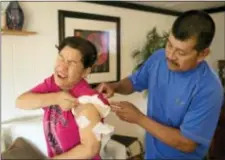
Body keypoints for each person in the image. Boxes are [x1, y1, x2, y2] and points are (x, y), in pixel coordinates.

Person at [96, 10, 224, 159]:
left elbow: (187, 143)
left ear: (202, 54)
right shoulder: (158, 57)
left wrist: (139, 118)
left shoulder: (209, 88)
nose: (169, 55)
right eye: (169, 45)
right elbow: (134, 82)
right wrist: (115, 86)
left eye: (181, 53)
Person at [16, 36, 111, 159]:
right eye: (61, 58)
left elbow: (90, 149)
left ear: (85, 72)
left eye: (72, 63)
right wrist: (56, 98)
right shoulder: (52, 84)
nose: (62, 67)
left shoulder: (86, 101)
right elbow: (20, 102)